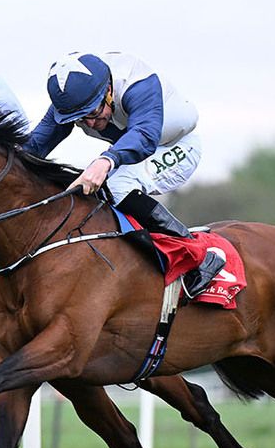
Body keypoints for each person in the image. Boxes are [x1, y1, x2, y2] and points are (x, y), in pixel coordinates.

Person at [21, 51, 223, 294]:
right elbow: (32, 149)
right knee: (99, 186)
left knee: (116, 184)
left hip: (176, 146)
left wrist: (106, 160)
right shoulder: (75, 98)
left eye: (94, 113)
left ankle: (199, 257)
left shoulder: (137, 85)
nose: (91, 124)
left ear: (108, 90)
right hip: (134, 150)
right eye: (80, 120)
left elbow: (145, 136)